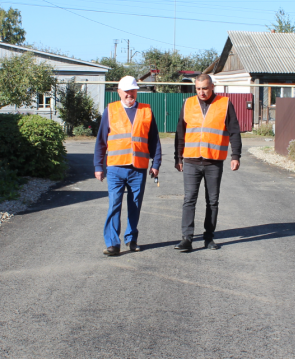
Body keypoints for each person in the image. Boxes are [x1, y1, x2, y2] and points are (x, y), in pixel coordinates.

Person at [94, 76, 162, 256]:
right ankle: (112, 244)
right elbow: (101, 140)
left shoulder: (146, 110)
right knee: (114, 204)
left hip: (138, 168)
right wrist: (98, 166)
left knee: (135, 205)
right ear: (119, 92)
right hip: (116, 168)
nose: (129, 94)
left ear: (136, 92)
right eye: (126, 91)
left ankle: (131, 239)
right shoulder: (111, 110)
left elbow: (154, 139)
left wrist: (156, 163)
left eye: (132, 90)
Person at [173, 74, 241, 252]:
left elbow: (234, 131)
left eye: (205, 88)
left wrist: (236, 156)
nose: (201, 92)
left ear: (212, 87)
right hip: (191, 160)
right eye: (198, 89)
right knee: (189, 199)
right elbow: (180, 132)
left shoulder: (224, 104)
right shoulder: (188, 104)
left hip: (214, 161)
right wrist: (177, 158)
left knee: (212, 201)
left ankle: (209, 238)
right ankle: (186, 238)